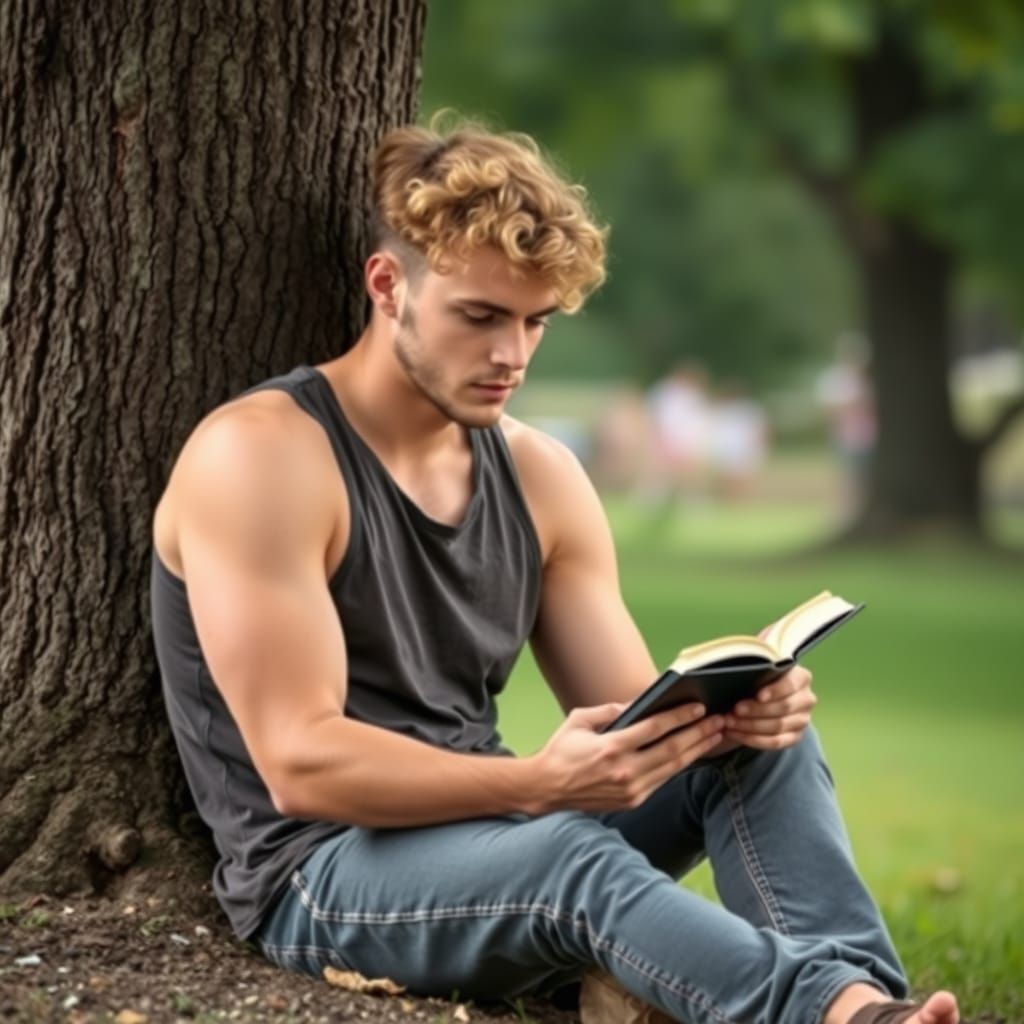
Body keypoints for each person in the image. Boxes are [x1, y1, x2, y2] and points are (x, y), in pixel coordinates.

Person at [150, 119, 959, 1024]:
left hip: (497, 838)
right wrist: (538, 784)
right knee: (569, 859)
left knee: (753, 747)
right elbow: (302, 763)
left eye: (535, 322)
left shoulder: (537, 476)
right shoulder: (260, 458)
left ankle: (872, 1003)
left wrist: (737, 706)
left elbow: (640, 725)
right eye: (480, 317)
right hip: (324, 873)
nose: (513, 356)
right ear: (388, 286)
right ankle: (827, 1015)